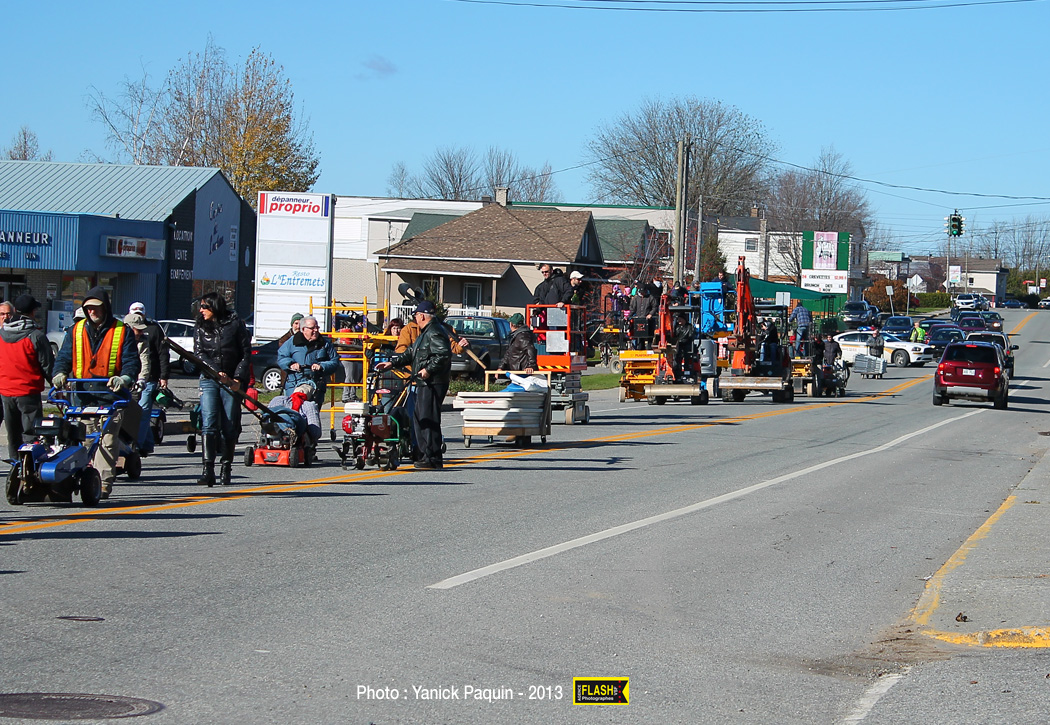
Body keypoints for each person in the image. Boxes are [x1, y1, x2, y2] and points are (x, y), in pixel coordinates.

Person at [52, 287, 140, 499]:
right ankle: (82, 479)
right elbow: (64, 357)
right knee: (86, 440)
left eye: (96, 308)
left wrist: (125, 378)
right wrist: (59, 373)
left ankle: (102, 484)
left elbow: (131, 362)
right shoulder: (76, 330)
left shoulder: (121, 330)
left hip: (111, 397)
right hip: (83, 396)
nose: (92, 312)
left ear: (105, 308)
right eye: (88, 308)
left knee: (107, 441)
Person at [375, 301, 451, 471]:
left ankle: (431, 457)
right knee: (419, 417)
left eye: (416, 315)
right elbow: (411, 353)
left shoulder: (434, 331)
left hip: (432, 382)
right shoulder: (426, 332)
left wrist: (428, 370)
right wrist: (392, 363)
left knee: (428, 418)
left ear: (422, 315)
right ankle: (425, 454)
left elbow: (443, 354)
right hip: (425, 382)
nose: (415, 318)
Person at [193, 292, 251, 487]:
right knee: (209, 422)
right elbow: (199, 353)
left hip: (231, 380)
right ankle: (207, 469)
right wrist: (216, 372)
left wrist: (237, 379)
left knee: (229, 424)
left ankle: (226, 466)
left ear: (215, 307)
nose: (201, 311)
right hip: (210, 377)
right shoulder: (200, 325)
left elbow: (245, 353)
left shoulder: (235, 324)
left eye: (204, 307)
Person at [0, 295, 52, 462]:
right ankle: (29, 467)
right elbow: (48, 366)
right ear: (32, 312)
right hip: (28, 391)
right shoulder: (35, 336)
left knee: (13, 432)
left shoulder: (2, 334)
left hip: (6, 391)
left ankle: (15, 464)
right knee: (30, 433)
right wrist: (58, 387)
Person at [125, 304, 169, 456]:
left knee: (143, 412)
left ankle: (135, 446)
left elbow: (150, 359)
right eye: (138, 328)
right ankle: (147, 443)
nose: (141, 331)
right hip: (126, 380)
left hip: (148, 379)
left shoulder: (151, 332)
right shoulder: (120, 337)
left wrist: (162, 376)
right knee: (132, 412)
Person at [278, 315, 341, 406]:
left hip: (317, 387)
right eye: (312, 328)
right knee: (295, 413)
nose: (315, 330)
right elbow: (281, 357)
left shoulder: (325, 343)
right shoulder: (292, 342)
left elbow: (335, 361)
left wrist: (322, 366)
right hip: (294, 385)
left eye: (317, 327)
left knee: (312, 415)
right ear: (303, 329)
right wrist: (290, 364)